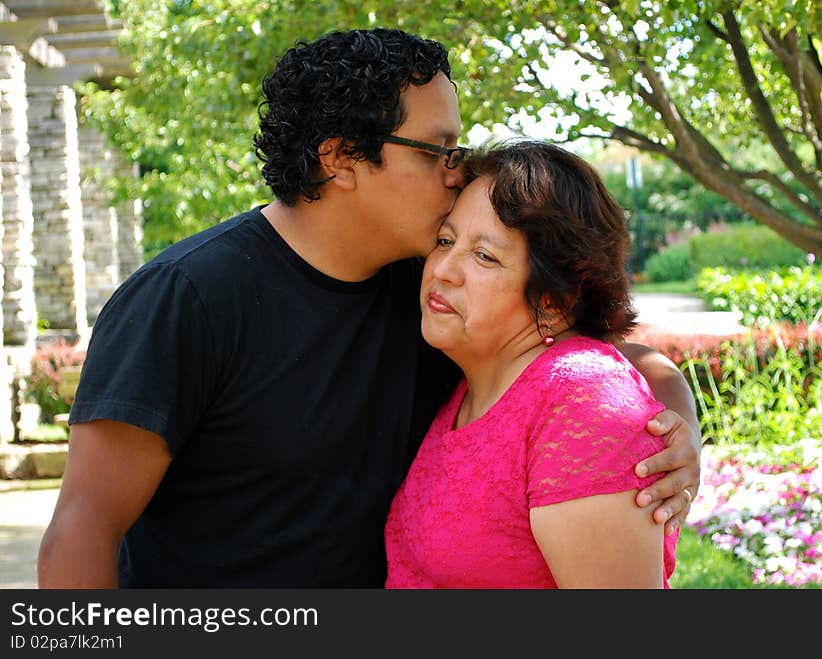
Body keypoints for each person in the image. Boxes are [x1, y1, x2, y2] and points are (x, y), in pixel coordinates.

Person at [38, 28, 699, 588]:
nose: (457, 171)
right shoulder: (188, 297)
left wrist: (678, 435)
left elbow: (610, 362)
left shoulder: (430, 292)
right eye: (440, 149)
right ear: (342, 160)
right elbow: (83, 529)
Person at [385, 140, 680, 588]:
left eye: (484, 256)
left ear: (556, 299)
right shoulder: (473, 384)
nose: (443, 268)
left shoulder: (579, 399)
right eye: (445, 240)